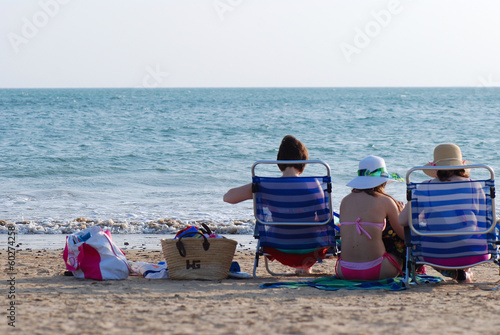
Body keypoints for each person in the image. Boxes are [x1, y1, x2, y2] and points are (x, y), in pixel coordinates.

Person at [224, 135, 330, 273]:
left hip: (278, 248)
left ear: (279, 162)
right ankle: (306, 267)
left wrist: (255, 188)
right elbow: (324, 221)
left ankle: (303, 266)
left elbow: (228, 198)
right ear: (303, 164)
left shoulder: (266, 186)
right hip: (310, 250)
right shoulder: (314, 185)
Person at [399, 143, 487, 283]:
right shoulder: (474, 186)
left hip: (434, 253)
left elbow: (403, 221)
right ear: (461, 166)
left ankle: (460, 273)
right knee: (467, 226)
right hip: (474, 251)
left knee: (430, 230)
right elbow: (486, 221)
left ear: (436, 168)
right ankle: (465, 271)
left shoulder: (424, 187)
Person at [336, 155, 405, 280]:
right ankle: (419, 270)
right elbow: (404, 235)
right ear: (383, 181)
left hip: (344, 270)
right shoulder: (386, 201)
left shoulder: (345, 201)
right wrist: (402, 212)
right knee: (400, 245)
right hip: (377, 270)